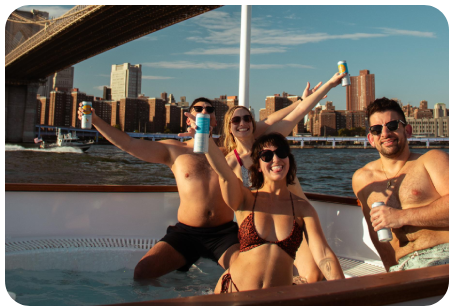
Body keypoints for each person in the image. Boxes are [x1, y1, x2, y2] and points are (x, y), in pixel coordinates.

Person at [219, 73, 346, 283]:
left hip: (297, 216)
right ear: (229, 127)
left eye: (247, 118)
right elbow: (232, 198)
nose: (243, 123)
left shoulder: (272, 143)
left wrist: (331, 84)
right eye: (236, 120)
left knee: (314, 275)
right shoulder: (231, 163)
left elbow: (299, 112)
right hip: (262, 224)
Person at [201, 132, 344, 293]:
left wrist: (344, 292)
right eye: (266, 156)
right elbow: (224, 173)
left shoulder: (303, 209)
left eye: (281, 153)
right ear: (258, 166)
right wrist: (204, 134)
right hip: (233, 294)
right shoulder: (245, 199)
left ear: (289, 159)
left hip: (276, 299)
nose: (276, 159)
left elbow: (324, 254)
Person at [352, 97, 449, 272]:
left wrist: (401, 217)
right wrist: (391, 274)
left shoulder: (432, 159)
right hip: (403, 267)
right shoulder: (362, 178)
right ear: (371, 139)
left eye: (392, 125)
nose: (385, 133)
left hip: (443, 256)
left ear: (408, 130)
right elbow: (377, 235)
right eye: (376, 129)